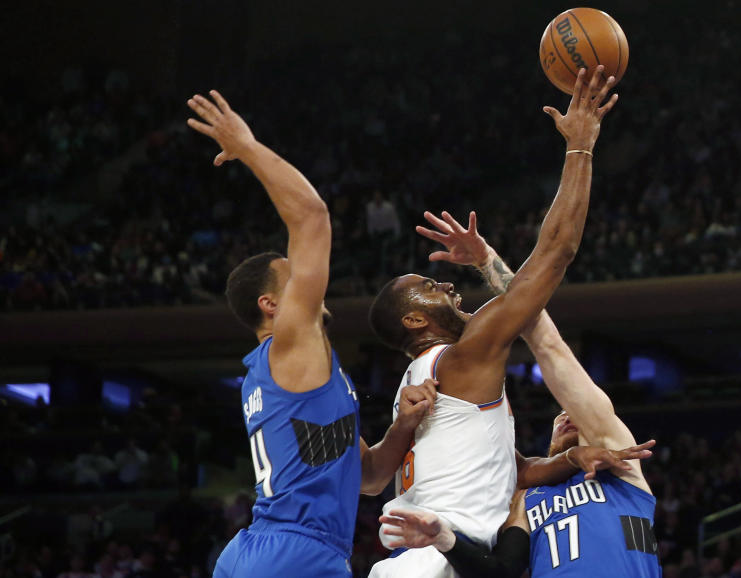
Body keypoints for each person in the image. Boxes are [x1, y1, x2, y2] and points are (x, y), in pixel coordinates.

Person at [366, 67, 619, 577]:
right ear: (415, 320)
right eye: (430, 286)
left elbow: (506, 474)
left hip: (426, 560)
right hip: (434, 564)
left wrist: (570, 460)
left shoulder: (416, 384)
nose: (448, 286)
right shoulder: (466, 355)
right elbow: (556, 253)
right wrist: (580, 147)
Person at [185, 90, 437, 577]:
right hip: (295, 553)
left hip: (255, 553)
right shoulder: (290, 343)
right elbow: (312, 217)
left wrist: (403, 426)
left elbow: (368, 477)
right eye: (293, 278)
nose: (311, 284)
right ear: (271, 306)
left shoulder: (288, 376)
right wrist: (248, 145)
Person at [379, 210, 662, 577]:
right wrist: (571, 457)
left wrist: (485, 258)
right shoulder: (518, 500)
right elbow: (502, 569)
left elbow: (547, 342)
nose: (569, 417)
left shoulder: (619, 463)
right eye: (560, 418)